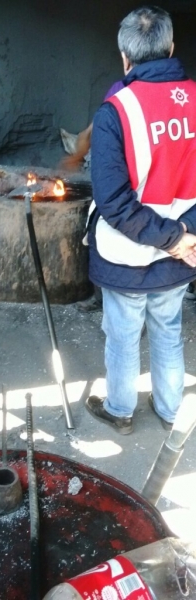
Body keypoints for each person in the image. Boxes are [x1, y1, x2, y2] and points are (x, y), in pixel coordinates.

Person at [85, 5, 196, 435]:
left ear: (124, 57)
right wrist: (184, 237)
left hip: (127, 255)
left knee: (123, 333)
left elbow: (114, 202)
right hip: (183, 252)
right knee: (168, 327)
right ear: (171, 47)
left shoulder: (114, 113)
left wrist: (171, 239)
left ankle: (120, 410)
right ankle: (170, 412)